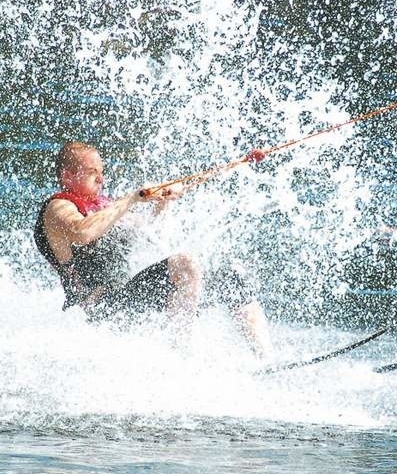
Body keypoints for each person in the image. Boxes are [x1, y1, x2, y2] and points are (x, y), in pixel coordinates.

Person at [34, 141, 272, 355]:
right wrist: (130, 200)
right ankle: (182, 357)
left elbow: (148, 232)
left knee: (232, 276)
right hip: (99, 308)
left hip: (126, 297)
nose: (101, 179)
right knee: (185, 264)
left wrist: (163, 202)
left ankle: (264, 358)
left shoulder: (104, 206)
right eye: (91, 173)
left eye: (102, 172)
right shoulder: (57, 208)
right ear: (67, 176)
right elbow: (82, 232)